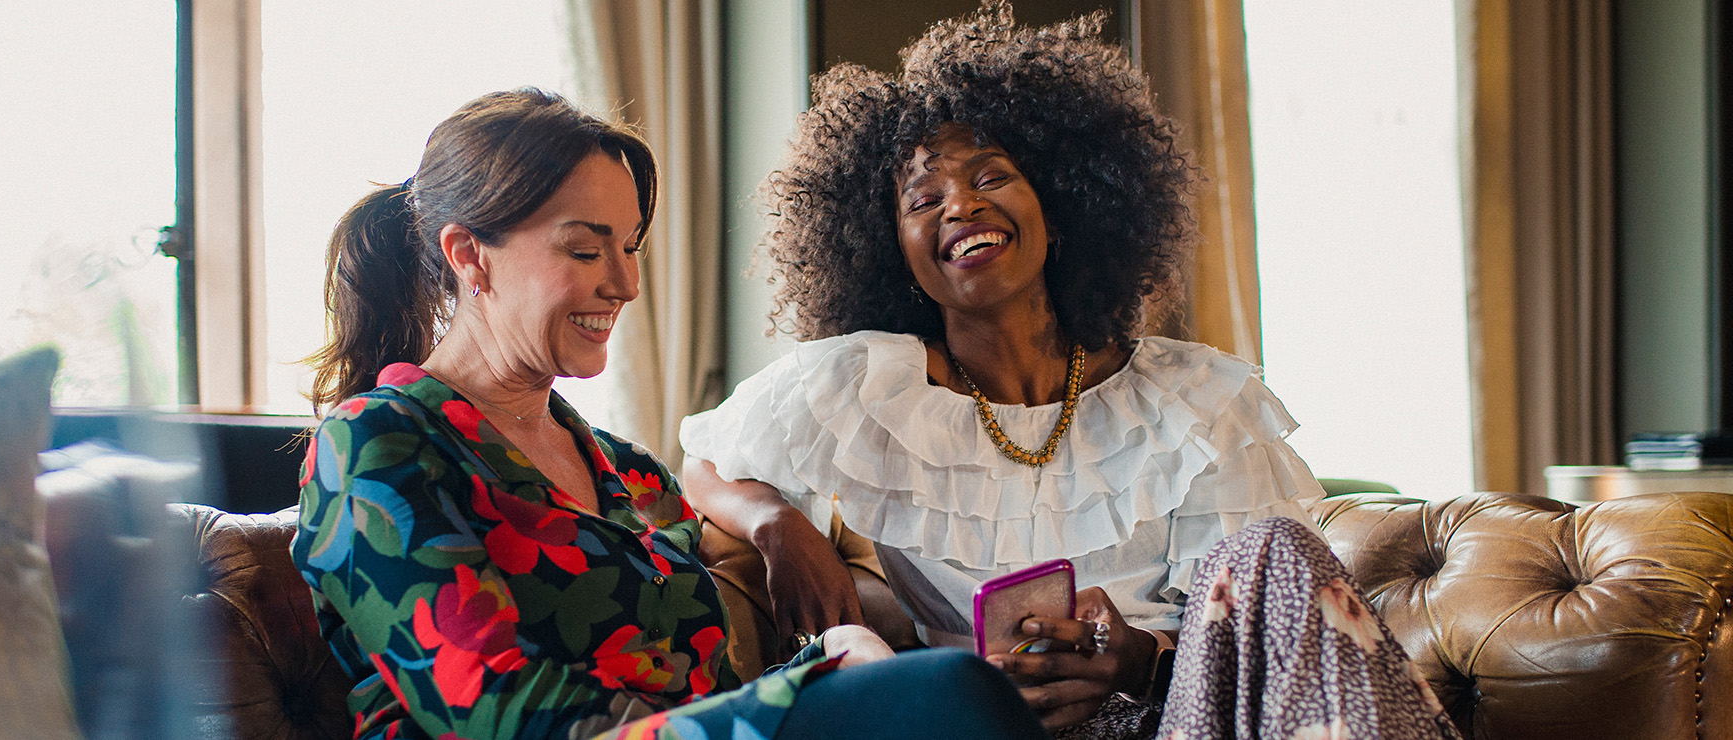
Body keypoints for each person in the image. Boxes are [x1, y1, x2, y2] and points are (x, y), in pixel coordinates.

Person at [678, 5, 1462, 739]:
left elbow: (1248, 628)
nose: (960, 206)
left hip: (1174, 712)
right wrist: (778, 526)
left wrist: (1135, 658)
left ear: (1061, 208)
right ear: (891, 252)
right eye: (924, 198)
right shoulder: (864, 387)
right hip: (989, 720)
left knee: (1273, 551)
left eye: (990, 177)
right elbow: (705, 463)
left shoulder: (1193, 399)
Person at [291, 88, 1049, 740]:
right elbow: (495, 714)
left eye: (630, 247)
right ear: (469, 255)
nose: (625, 283)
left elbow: (702, 695)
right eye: (587, 251)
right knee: (952, 693)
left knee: (949, 689)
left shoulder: (630, 474)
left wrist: (835, 651)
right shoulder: (377, 444)